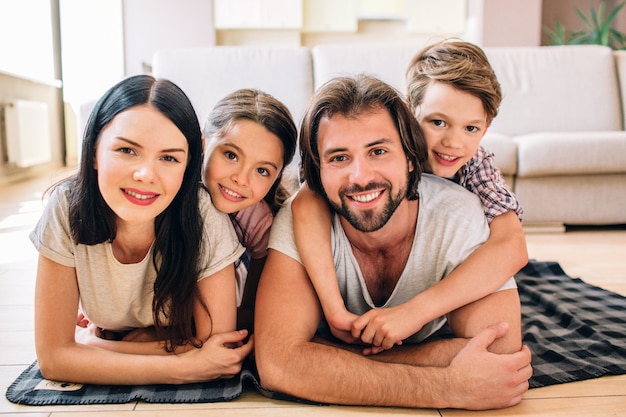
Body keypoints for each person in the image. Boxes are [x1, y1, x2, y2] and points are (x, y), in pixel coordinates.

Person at [254, 74, 532, 410]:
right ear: (317, 172)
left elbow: (500, 354)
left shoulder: (461, 213)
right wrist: (447, 386)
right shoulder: (302, 217)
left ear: (411, 158)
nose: (360, 177)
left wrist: (322, 358)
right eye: (339, 158)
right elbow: (278, 364)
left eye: (379, 151)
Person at [290, 39, 527, 353]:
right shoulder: (376, 152)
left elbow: (512, 246)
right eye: (438, 122)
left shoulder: (476, 166)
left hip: (444, 271)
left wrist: (415, 312)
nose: (453, 143)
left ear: (486, 129)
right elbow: (307, 201)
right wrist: (334, 311)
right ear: (409, 112)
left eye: (471, 128)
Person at [30, 74, 253, 385]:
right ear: (94, 150)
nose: (146, 174)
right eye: (127, 150)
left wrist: (95, 346)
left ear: (189, 164)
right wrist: (183, 367)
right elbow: (54, 359)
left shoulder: (202, 212)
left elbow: (216, 347)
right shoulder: (66, 208)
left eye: (169, 158)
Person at [201, 88, 297, 330]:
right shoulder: (168, 190)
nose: (242, 180)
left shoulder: (260, 221)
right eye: (231, 155)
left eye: (262, 171)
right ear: (203, 143)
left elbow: (250, 312)